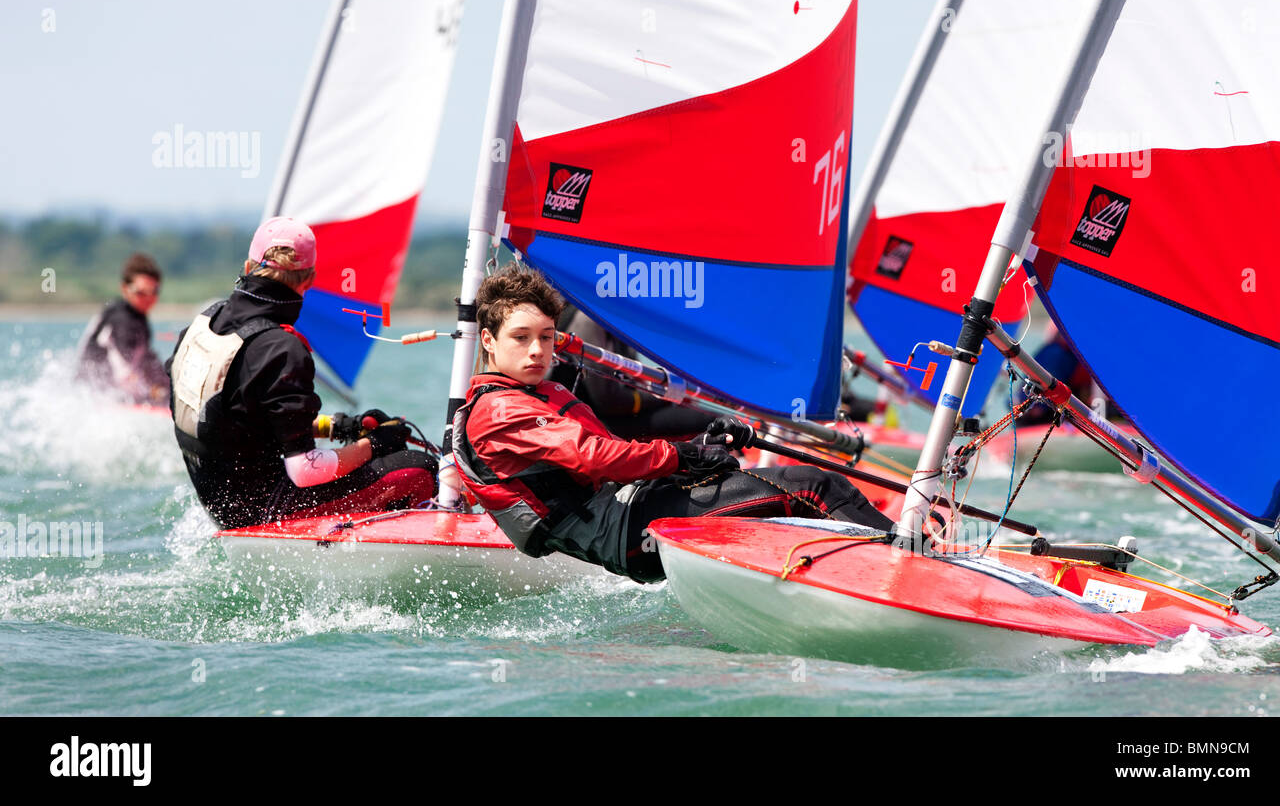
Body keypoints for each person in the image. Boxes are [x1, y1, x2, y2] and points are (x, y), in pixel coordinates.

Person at [451, 265, 894, 583]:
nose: (536, 351)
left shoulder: (533, 393)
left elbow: (613, 449)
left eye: (546, 337)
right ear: (488, 340)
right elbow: (595, 457)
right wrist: (680, 454)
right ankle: (902, 567)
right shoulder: (501, 409)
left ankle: (869, 567)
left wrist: (698, 444)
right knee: (815, 488)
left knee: (782, 494)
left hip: (632, 513)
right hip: (629, 531)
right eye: (521, 338)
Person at [165, 216, 437, 529]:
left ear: (247, 266)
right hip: (263, 512)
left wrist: (338, 428)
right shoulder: (281, 349)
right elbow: (305, 470)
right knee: (419, 468)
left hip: (221, 508)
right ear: (309, 279)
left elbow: (239, 418)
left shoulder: (202, 324)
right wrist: (374, 444)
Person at [546, 307, 715, 439]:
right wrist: (668, 398)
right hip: (599, 422)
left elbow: (633, 378)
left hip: (619, 411)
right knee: (713, 418)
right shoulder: (587, 319)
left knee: (707, 406)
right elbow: (609, 401)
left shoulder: (613, 318)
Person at [75, 253, 171, 406]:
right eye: (141, 292)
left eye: (154, 291)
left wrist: (169, 384)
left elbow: (146, 360)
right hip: (96, 394)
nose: (148, 298)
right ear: (125, 289)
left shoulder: (139, 318)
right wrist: (154, 393)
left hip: (112, 390)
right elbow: (124, 370)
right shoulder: (121, 319)